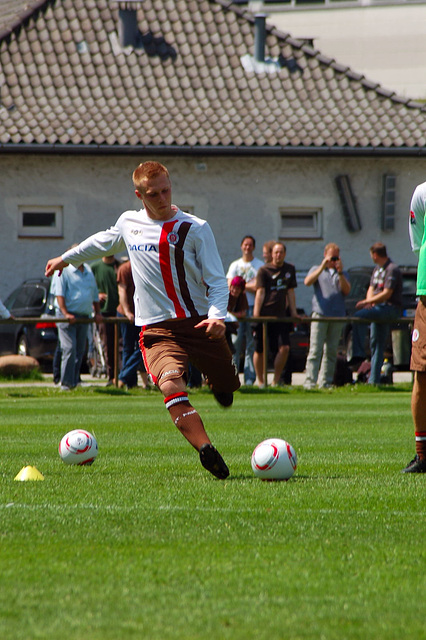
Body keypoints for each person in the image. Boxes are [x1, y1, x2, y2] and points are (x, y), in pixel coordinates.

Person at [45, 160, 240, 479]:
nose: (162, 198)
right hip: (157, 329)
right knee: (169, 384)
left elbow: (217, 281)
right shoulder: (129, 224)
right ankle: (205, 448)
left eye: (166, 190)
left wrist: (218, 316)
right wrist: (66, 259)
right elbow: (102, 242)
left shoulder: (195, 228)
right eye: (154, 194)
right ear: (139, 195)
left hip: (199, 322)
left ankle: (220, 382)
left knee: (228, 384)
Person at [349, 242, 402, 385]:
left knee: (359, 316)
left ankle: (358, 353)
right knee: (376, 344)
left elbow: (387, 293)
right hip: (377, 309)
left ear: (375, 254)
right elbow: (371, 287)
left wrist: (368, 302)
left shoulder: (392, 269)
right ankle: (374, 381)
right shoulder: (377, 269)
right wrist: (369, 301)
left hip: (389, 309)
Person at [303, 243, 351, 389]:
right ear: (325, 255)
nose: (333, 260)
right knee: (315, 350)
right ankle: (310, 382)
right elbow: (307, 282)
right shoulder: (316, 269)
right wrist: (322, 266)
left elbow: (347, 291)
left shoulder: (342, 272)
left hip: (337, 315)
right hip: (320, 314)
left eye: (336, 256)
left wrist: (340, 272)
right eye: (331, 256)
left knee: (331, 351)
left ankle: (325, 382)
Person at [402, 182, 426, 472]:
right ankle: (423, 455)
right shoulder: (422, 191)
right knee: (422, 373)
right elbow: (419, 242)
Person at [253, 242, 298, 386]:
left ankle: (275, 381)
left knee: (284, 348)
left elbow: (290, 292)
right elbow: (260, 292)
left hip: (281, 316)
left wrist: (294, 312)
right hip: (264, 315)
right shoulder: (263, 270)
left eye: (281, 252)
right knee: (259, 349)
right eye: (276, 252)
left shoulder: (289, 269)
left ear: (284, 254)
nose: (278, 255)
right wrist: (256, 315)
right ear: (272, 254)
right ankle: (260, 382)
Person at [52, 261, 102, 390]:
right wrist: (65, 313)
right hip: (67, 317)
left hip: (83, 316)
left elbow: (94, 292)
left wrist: (97, 312)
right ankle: (66, 383)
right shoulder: (63, 271)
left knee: (79, 350)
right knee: (69, 348)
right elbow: (59, 294)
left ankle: (74, 380)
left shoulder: (88, 270)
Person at [226, 236, 263, 385]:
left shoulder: (259, 265)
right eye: (245, 244)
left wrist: (241, 285)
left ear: (254, 247)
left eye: (250, 245)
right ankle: (232, 376)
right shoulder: (235, 265)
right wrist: (248, 285)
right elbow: (230, 285)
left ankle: (249, 378)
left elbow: (258, 287)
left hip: (253, 307)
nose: (247, 247)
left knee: (251, 344)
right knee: (235, 343)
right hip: (236, 309)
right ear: (241, 246)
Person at [116, 259, 148, 389]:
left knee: (142, 346)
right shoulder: (125, 269)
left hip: (142, 314)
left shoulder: (144, 266)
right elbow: (122, 291)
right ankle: (130, 382)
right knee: (128, 348)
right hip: (126, 314)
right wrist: (127, 311)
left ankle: (123, 377)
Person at [91, 255, 120, 384]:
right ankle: (111, 376)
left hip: (120, 312)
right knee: (108, 345)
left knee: (122, 346)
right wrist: (96, 296)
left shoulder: (119, 266)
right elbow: (87, 287)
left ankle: (123, 377)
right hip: (104, 312)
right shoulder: (95, 268)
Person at [225, 276, 248, 353]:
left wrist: (231, 314)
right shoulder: (225, 294)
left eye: (237, 289)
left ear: (241, 290)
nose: (234, 290)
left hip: (232, 326)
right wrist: (235, 315)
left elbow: (243, 313)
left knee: (233, 348)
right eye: (233, 287)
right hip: (224, 325)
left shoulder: (242, 296)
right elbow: (223, 312)